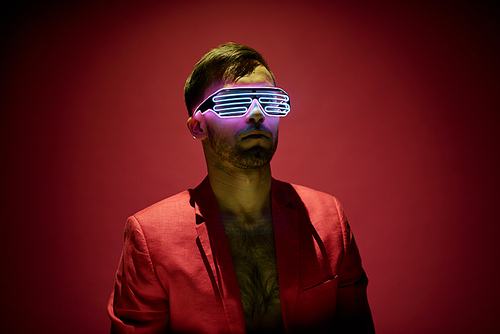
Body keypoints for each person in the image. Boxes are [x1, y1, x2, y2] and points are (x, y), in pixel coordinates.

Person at [107, 42, 375, 333]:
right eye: (234, 102)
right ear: (198, 127)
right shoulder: (151, 237)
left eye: (270, 101)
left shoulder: (328, 220)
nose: (257, 114)